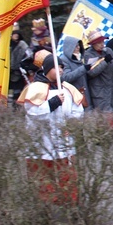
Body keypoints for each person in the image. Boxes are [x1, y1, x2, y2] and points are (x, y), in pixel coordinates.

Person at [16, 50, 84, 205]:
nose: (60, 70)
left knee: (66, 171)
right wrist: (52, 104)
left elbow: (78, 110)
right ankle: (44, 204)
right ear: (47, 70)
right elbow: (32, 112)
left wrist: (72, 122)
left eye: (61, 67)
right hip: (42, 140)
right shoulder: (35, 88)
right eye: (56, 67)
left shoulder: (67, 88)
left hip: (63, 138)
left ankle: (69, 202)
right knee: (42, 173)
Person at [83, 29, 113, 113]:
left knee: (111, 113)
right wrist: (105, 62)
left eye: (102, 41)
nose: (102, 44)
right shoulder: (89, 54)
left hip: (111, 88)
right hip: (99, 91)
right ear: (93, 44)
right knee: (102, 115)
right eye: (99, 43)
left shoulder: (108, 51)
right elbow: (92, 72)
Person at [59, 36, 92, 110]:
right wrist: (83, 68)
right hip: (74, 97)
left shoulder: (80, 59)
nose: (78, 48)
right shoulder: (63, 60)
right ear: (69, 47)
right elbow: (66, 78)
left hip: (85, 94)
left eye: (79, 46)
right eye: (75, 46)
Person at [9, 23, 29, 107]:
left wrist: (23, 65)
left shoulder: (22, 45)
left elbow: (28, 56)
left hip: (19, 72)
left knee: (17, 91)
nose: (15, 36)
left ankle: (16, 108)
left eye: (17, 34)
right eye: (14, 34)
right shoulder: (7, 45)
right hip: (8, 72)